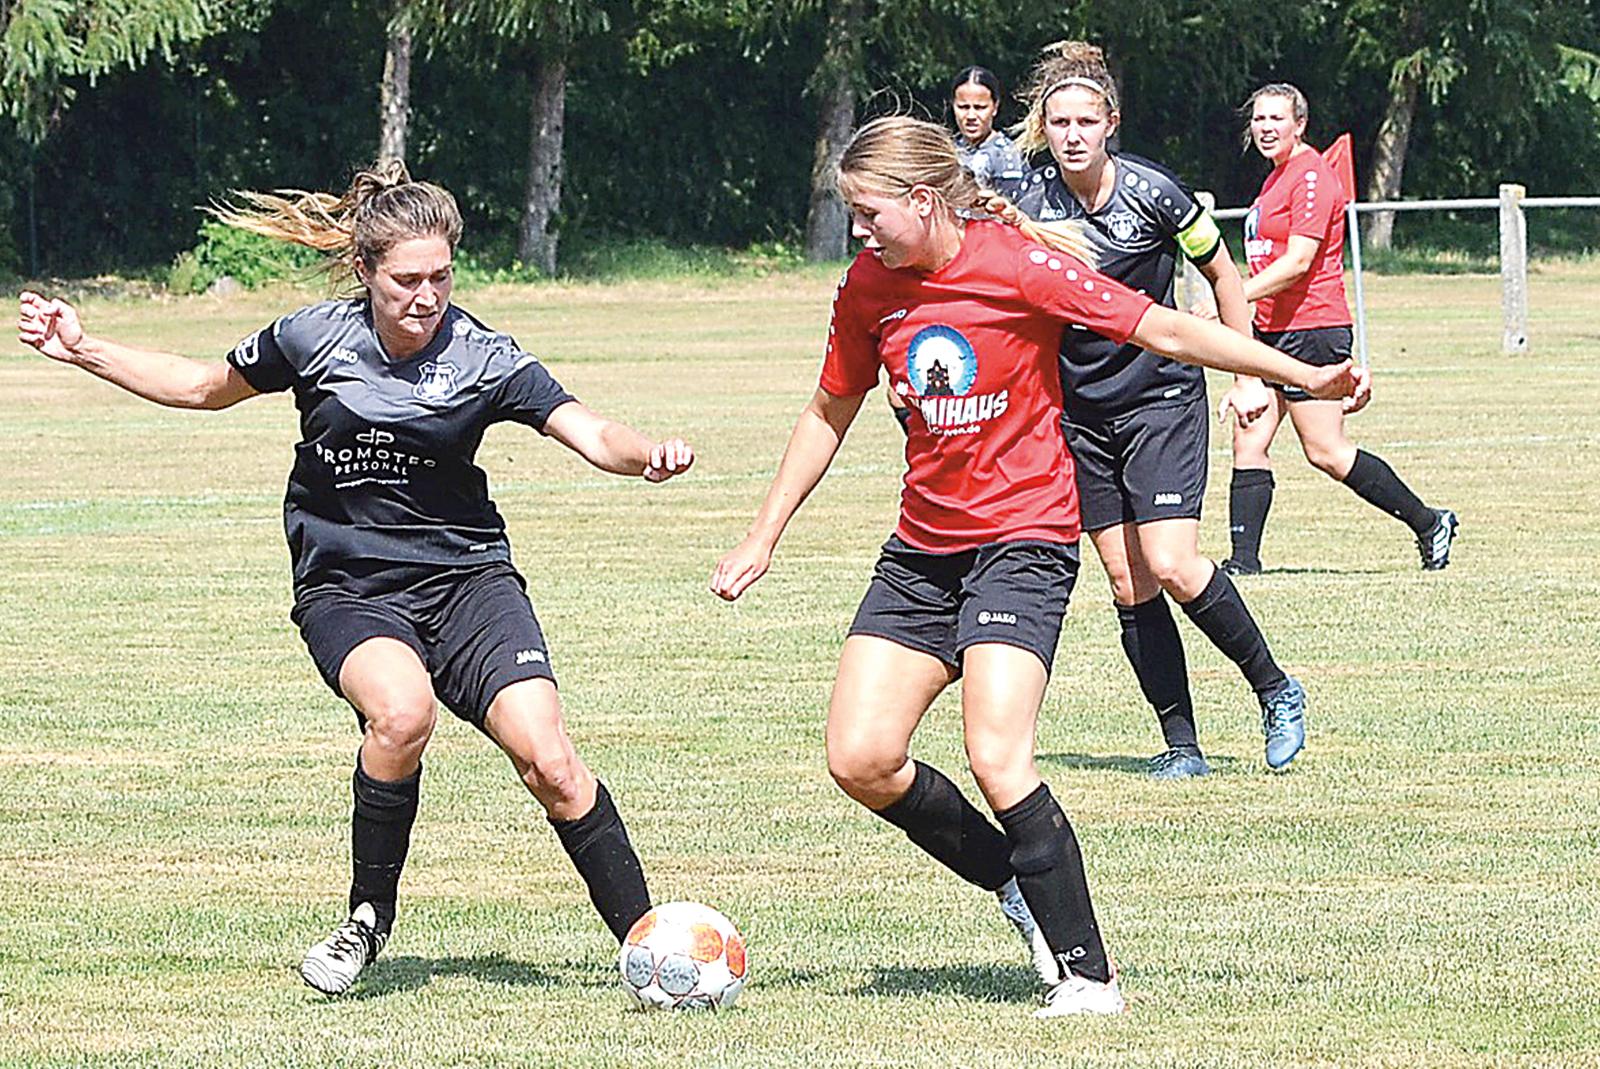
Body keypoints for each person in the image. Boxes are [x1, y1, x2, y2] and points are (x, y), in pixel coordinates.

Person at [710, 116, 1365, 1016]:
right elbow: (829, 409)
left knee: (997, 754)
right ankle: (1012, 879)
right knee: (861, 757)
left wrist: (1299, 376)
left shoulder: (1016, 263)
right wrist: (763, 535)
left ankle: (1090, 976)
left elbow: (1167, 329)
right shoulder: (868, 285)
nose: (858, 230)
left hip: (1023, 540)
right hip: (921, 553)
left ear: (922, 200)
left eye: (868, 213)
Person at [15, 162, 694, 996]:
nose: (427, 296)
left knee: (550, 760)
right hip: (349, 585)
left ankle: (655, 948)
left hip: (468, 581)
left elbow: (589, 430)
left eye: (441, 276)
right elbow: (199, 387)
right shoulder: (313, 338)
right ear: (367, 269)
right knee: (402, 713)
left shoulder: (484, 356)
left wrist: (646, 455)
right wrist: (80, 347)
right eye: (407, 279)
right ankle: (368, 919)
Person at [1008, 42, 1307, 776]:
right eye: (1059, 123)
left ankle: (1275, 687)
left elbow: (1224, 274)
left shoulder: (1156, 192)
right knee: (1127, 581)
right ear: (1045, 127)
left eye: (1086, 121)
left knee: (1171, 562)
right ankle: (1182, 745)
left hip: (1161, 399)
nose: (1072, 135)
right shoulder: (1027, 205)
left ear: (1111, 122)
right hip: (1079, 413)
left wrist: (1248, 375)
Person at [1225, 82, 1458, 575]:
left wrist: (1233, 296)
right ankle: (1243, 563)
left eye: (1276, 119)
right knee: (1249, 437)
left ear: (1299, 124)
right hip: (1271, 328)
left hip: (1313, 327)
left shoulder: (1311, 175)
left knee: (1326, 451)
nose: (1265, 128)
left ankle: (1429, 522)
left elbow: (1299, 262)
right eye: (1259, 119)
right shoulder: (1274, 178)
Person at [952, 66, 1029, 200]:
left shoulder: (1008, 157)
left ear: (995, 107)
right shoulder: (949, 150)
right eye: (963, 107)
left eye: (980, 108)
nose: (971, 116)